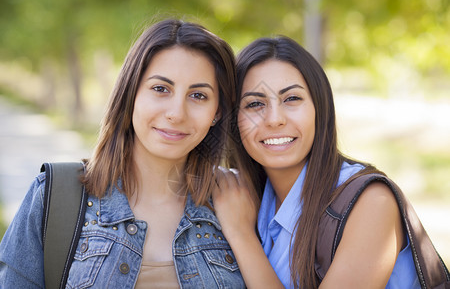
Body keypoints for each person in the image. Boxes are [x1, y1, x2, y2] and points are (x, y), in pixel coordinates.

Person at [0, 18, 246, 288]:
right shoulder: (53, 197)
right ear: (131, 94)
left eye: (198, 95)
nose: (176, 113)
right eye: (161, 89)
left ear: (217, 111)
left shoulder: (237, 201)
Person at [213, 36, 422, 288]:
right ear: (234, 121)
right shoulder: (244, 197)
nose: (274, 119)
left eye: (291, 99)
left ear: (319, 109)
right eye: (255, 104)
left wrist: (241, 235)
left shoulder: (371, 202)